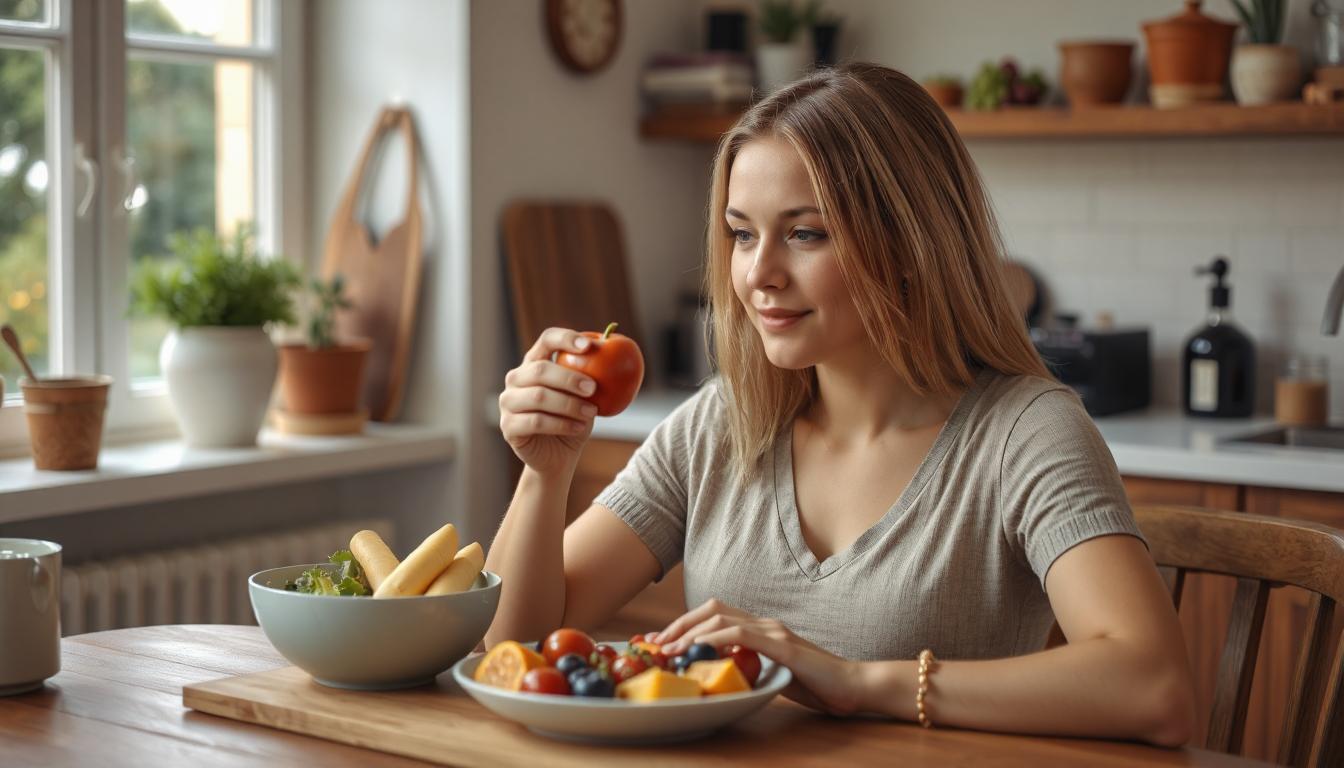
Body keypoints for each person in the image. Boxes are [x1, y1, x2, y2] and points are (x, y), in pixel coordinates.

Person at [485, 62, 1195, 746]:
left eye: (805, 233)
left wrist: (857, 682)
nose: (758, 274)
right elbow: (511, 652)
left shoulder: (1025, 433)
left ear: (912, 243)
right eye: (741, 233)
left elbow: (1154, 688)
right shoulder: (720, 425)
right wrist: (545, 473)